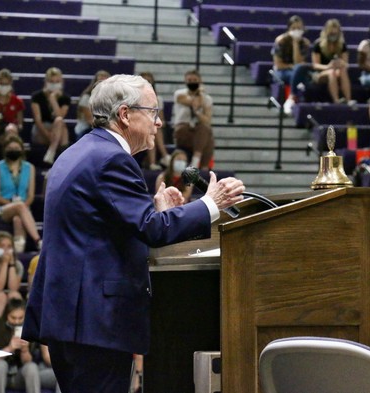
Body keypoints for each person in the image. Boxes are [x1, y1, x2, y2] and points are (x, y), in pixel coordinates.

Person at [23, 74, 245, 393]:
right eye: (153, 112)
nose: (158, 123)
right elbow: (151, 229)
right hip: (94, 322)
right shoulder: (112, 159)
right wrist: (212, 203)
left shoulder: (81, 151)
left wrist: (156, 212)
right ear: (125, 115)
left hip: (72, 318)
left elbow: (110, 227)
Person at [0, 136, 42, 253]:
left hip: (24, 210)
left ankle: (19, 251)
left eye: (16, 147)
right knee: (19, 207)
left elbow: (30, 196)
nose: (13, 149)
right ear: (4, 150)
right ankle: (38, 240)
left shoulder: (30, 167)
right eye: (10, 147)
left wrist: (21, 206)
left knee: (18, 219)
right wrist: (15, 204)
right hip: (1, 209)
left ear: (22, 150)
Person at [0, 298, 41, 393]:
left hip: (17, 375)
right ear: (6, 315)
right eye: (13, 317)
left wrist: (25, 350)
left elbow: (27, 362)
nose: (17, 321)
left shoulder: (29, 328)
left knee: (31, 367)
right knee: (1, 365)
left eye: (20, 318)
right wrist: (9, 348)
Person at [172, 69, 214, 169]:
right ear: (185, 81)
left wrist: (198, 113)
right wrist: (199, 95)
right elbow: (194, 103)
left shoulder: (207, 98)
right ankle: (201, 165)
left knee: (205, 129)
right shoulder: (179, 94)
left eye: (195, 80)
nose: (192, 82)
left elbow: (207, 120)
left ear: (200, 81)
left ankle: (198, 163)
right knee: (206, 135)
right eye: (189, 80)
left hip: (198, 131)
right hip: (182, 128)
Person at [272, 15, 312, 115]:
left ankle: (292, 98)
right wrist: (291, 67)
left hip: (296, 71)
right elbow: (279, 64)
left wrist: (296, 44)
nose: (296, 30)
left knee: (305, 77)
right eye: (293, 28)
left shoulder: (305, 43)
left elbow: (298, 63)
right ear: (288, 29)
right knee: (300, 75)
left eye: (299, 28)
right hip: (281, 71)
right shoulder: (281, 41)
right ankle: (291, 98)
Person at [311, 18, 353, 105]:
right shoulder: (318, 44)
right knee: (331, 72)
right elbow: (315, 65)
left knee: (342, 70)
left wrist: (341, 63)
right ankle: (336, 100)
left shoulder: (342, 45)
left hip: (336, 71)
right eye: (331, 33)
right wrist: (328, 66)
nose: (333, 36)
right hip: (321, 73)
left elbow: (345, 63)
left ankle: (348, 99)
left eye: (335, 33)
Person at [0, 231, 23, 322]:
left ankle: (17, 330)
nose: (6, 250)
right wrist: (4, 264)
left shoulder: (18, 265)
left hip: (7, 295)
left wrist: (11, 265)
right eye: (2, 246)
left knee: (15, 295)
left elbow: (13, 288)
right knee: (0, 296)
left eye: (9, 246)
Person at [140, 71, 171, 170]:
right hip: (139, 124)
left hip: (152, 125)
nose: (147, 82)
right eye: (144, 80)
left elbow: (160, 117)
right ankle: (165, 155)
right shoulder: (134, 97)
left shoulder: (158, 99)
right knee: (152, 126)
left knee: (155, 127)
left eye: (149, 81)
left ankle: (153, 163)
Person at [0, 68, 24, 149]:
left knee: (11, 132)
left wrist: (13, 127)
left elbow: (20, 124)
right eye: (1, 84)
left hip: (10, 132)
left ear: (10, 83)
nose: (3, 87)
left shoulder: (17, 101)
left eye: (6, 84)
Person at [74, 70, 111, 141]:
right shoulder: (86, 98)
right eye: (99, 82)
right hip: (86, 129)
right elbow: (90, 120)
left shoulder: (112, 100)